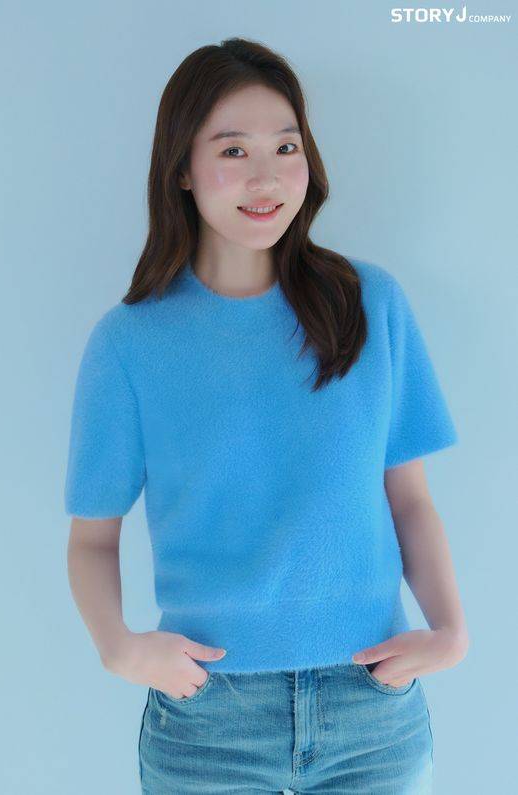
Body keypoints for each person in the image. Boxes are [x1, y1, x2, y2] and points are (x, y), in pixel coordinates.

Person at [64, 37, 469, 794]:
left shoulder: (369, 305)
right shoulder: (129, 344)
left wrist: (450, 632)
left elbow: (409, 499)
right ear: (181, 169)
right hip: (206, 715)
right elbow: (92, 537)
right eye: (233, 150)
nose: (267, 177)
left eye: (286, 147)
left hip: (371, 705)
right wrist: (117, 645)